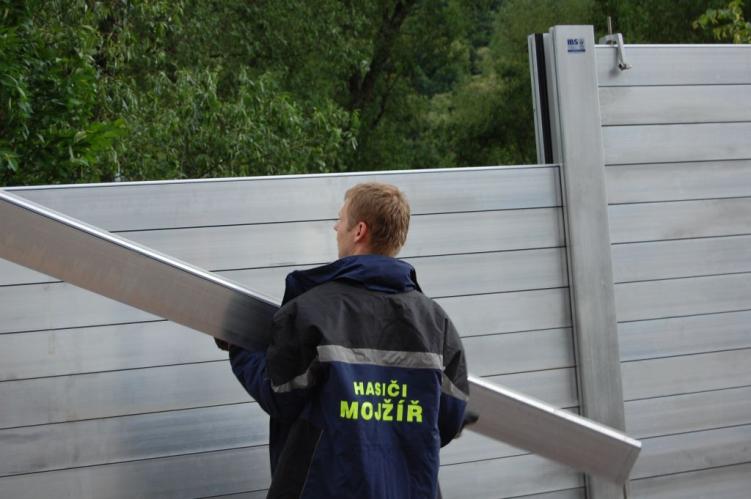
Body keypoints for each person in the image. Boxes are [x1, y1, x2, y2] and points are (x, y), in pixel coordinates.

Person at [222, 182, 469, 498]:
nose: (336, 227)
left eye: (340, 219)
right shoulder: (437, 324)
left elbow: (278, 393)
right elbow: (449, 419)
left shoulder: (312, 311)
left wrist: (240, 345)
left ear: (359, 231)